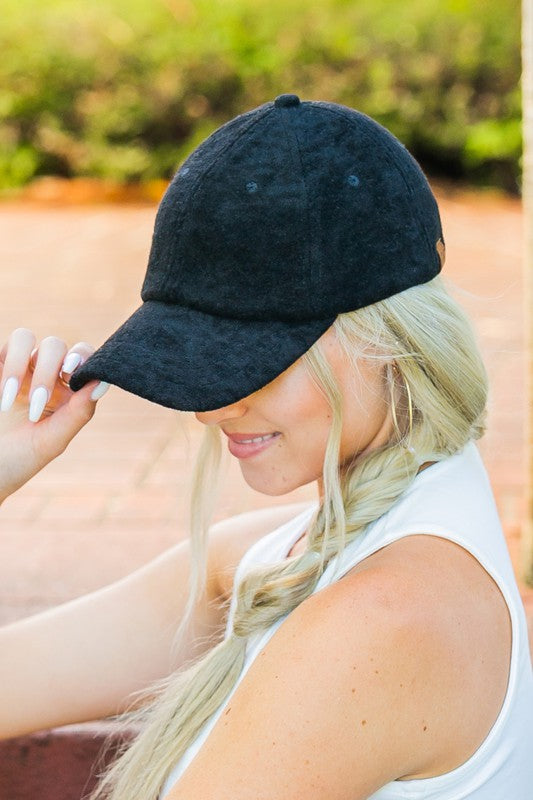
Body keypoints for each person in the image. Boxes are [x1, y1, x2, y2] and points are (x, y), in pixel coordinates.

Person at [0, 94, 531, 800]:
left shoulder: (378, 623)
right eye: (197, 359)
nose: (214, 406)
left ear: (386, 340)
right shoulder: (281, 558)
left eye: (253, 361)